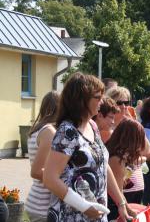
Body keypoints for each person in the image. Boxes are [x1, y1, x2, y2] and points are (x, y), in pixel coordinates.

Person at [43, 72, 132, 222]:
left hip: (95, 214)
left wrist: (121, 202)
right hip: (71, 216)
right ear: (81, 100)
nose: (102, 102)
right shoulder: (68, 131)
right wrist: (84, 206)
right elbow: (50, 178)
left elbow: (103, 165)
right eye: (97, 97)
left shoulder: (92, 125)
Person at [106, 86, 148, 208]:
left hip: (136, 185)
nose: (124, 106)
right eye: (119, 103)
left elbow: (146, 149)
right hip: (118, 189)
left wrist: (133, 122)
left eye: (126, 103)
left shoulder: (130, 126)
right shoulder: (107, 128)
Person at [25, 91, 60, 222]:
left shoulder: (39, 129)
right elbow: (36, 172)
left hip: (38, 201)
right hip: (43, 205)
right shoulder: (49, 131)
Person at [106, 119, 150, 221]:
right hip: (113, 208)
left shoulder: (121, 155)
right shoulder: (116, 158)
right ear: (131, 139)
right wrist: (130, 210)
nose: (140, 143)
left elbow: (146, 150)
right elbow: (118, 191)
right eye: (139, 139)